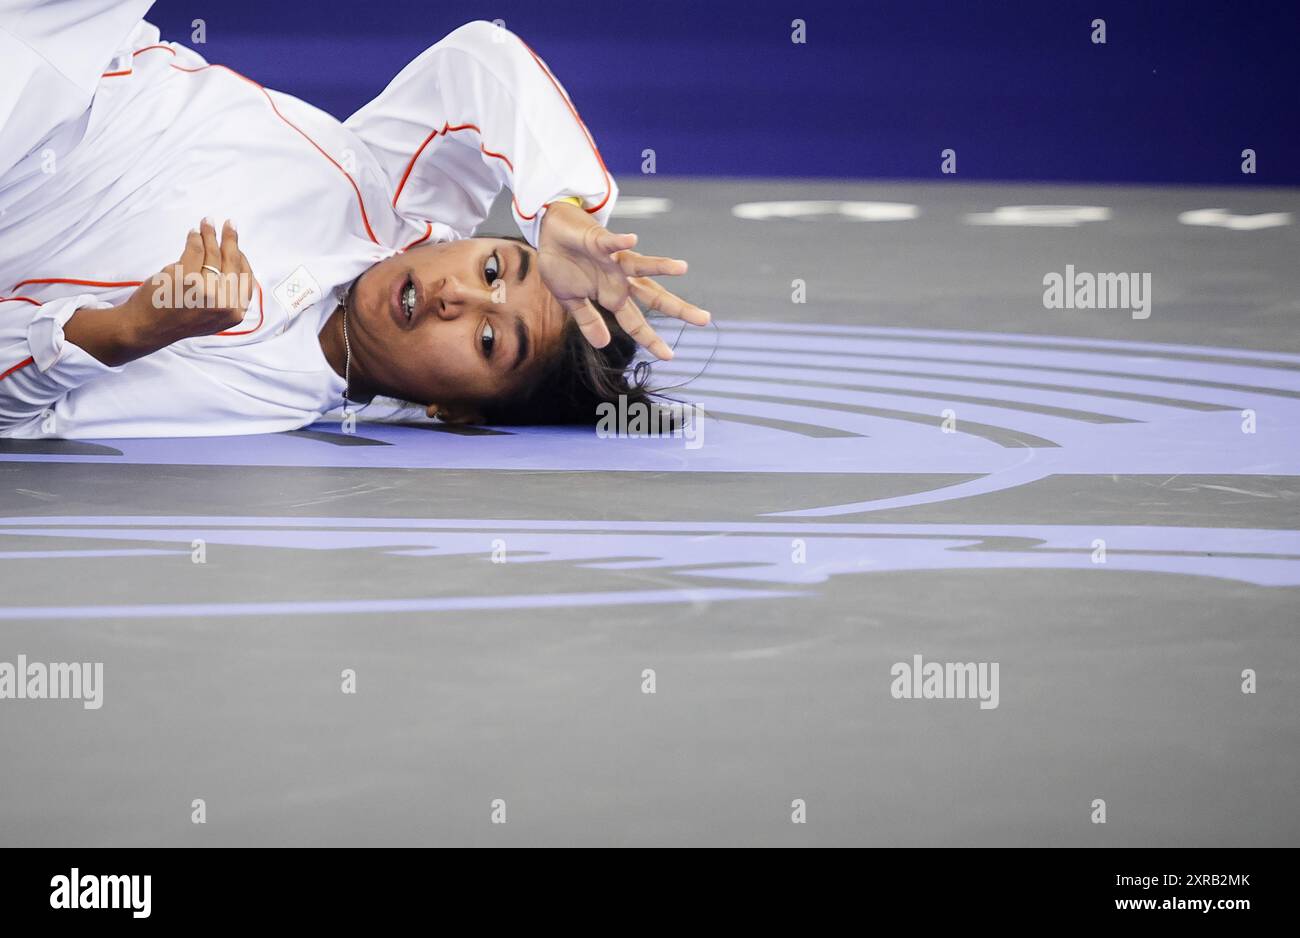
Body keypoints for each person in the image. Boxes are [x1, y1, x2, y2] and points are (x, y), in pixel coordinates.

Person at [0, 3, 709, 438]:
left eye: (489, 339)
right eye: (494, 268)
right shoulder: (400, 204)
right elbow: (479, 58)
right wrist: (560, 204)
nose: (456, 297)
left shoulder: (256, 392)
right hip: (71, 43)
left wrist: (130, 331)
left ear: (452, 411)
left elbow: (18, 415)